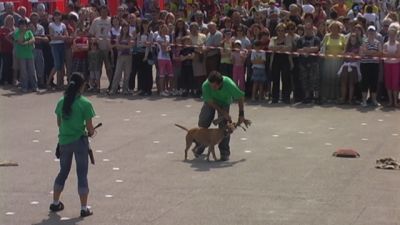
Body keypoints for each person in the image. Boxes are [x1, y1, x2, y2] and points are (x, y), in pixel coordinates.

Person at [50, 72, 96, 218]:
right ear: (81, 86)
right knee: (82, 174)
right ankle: (84, 207)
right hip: (80, 142)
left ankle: (56, 202)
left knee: (63, 172)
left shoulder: (61, 101)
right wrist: (92, 132)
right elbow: (90, 128)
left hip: (64, 141)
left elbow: (59, 123)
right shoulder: (85, 103)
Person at [194, 71, 247, 161]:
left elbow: (240, 97)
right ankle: (201, 145)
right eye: (211, 85)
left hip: (225, 102)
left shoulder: (229, 84)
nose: (212, 87)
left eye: (214, 86)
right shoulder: (206, 85)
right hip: (211, 103)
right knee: (203, 121)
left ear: (221, 83)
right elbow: (210, 102)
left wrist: (241, 114)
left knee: (225, 127)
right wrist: (223, 113)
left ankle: (224, 152)